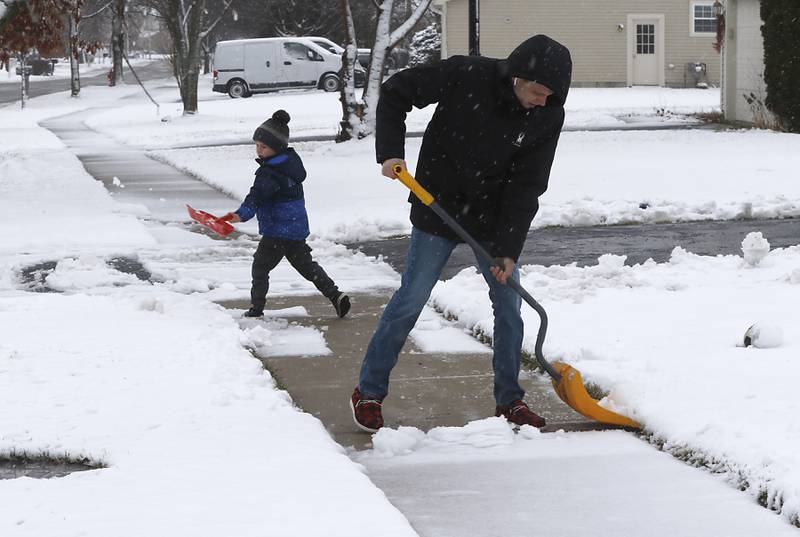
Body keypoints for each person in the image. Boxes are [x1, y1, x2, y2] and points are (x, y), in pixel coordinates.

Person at [350, 35, 572, 432]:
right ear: (518, 77)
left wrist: (507, 250)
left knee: (509, 307)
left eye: (549, 96)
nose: (542, 100)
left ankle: (510, 400)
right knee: (411, 298)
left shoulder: (547, 114)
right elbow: (396, 91)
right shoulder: (466, 74)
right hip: (438, 206)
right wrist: (390, 150)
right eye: (538, 92)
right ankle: (369, 391)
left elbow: (528, 184)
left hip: (492, 221)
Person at [224, 110, 351, 319]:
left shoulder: (270, 172)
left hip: (277, 230)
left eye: (263, 147)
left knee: (260, 268)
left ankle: (256, 310)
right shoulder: (290, 164)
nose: (259, 151)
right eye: (256, 145)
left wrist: (241, 215)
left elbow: (256, 196)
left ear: (276, 147)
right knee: (307, 267)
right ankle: (336, 295)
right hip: (295, 228)